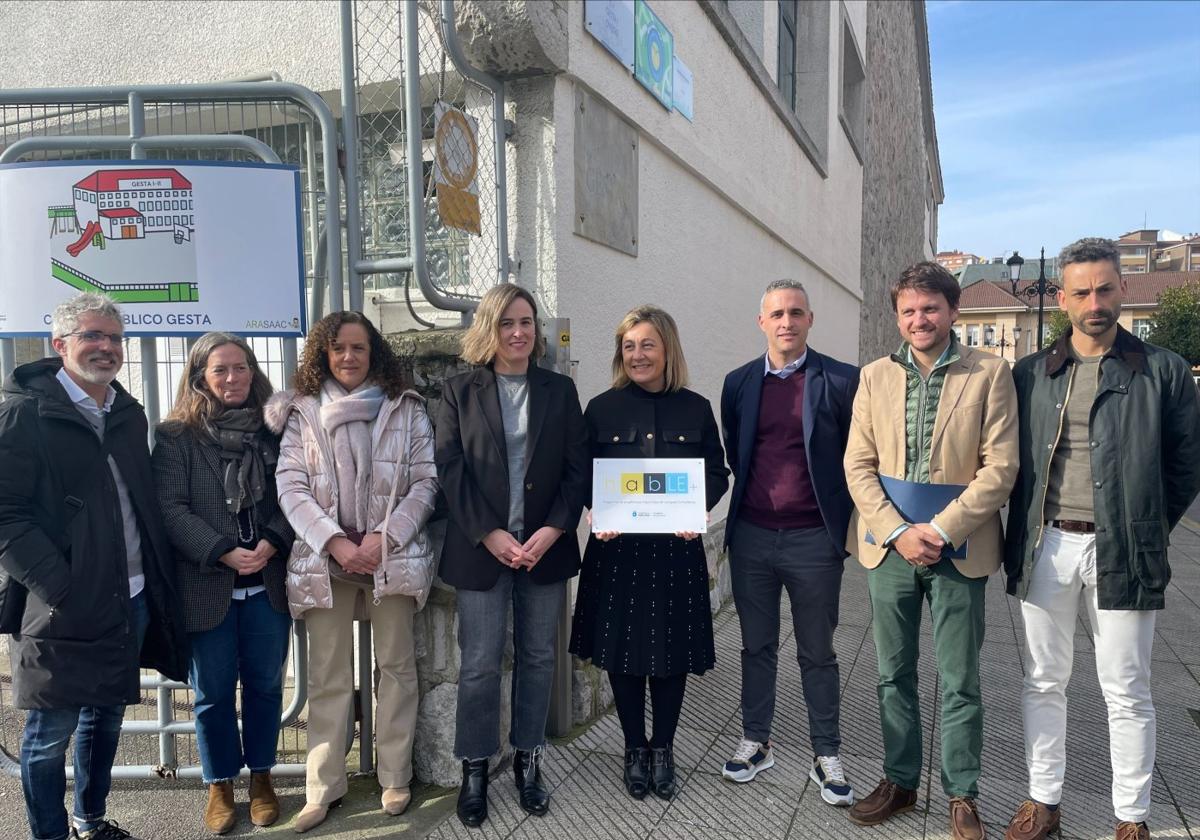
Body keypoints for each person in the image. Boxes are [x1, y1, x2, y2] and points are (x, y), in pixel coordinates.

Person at [1001, 238, 1200, 840]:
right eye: (1081, 291)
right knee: (1043, 677)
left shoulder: (1161, 370)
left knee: (1127, 686)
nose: (1095, 301)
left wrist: (1143, 528)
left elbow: (1185, 466)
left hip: (1123, 549)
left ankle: (1132, 816)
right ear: (1062, 299)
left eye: (1105, 288)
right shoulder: (1033, 373)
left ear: (1123, 290)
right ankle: (1044, 801)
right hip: (1047, 545)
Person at [0, 292, 188, 840]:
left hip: (128, 596)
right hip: (58, 604)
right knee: (49, 733)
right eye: (91, 336)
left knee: (105, 719)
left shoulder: (126, 413)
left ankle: (90, 818)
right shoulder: (24, 414)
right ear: (60, 345)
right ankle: (50, 834)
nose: (105, 347)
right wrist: (60, 583)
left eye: (114, 337)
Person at [843, 262, 1018, 840]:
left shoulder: (989, 373)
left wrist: (939, 531)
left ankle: (962, 794)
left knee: (960, 677)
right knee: (892, 673)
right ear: (897, 316)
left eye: (930, 308)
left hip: (959, 548)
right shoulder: (874, 377)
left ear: (953, 310)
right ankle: (900, 779)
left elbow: (1001, 468)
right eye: (909, 311)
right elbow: (858, 465)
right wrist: (898, 530)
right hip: (888, 548)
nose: (919, 320)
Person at [266, 311, 438, 833]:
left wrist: (385, 539)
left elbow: (426, 482)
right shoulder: (301, 413)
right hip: (327, 563)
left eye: (358, 348)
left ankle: (394, 775)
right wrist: (338, 543)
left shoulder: (406, 409)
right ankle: (322, 787)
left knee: (397, 670)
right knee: (328, 676)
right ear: (323, 353)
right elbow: (290, 486)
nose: (347, 357)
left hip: (392, 559)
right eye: (337, 348)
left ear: (374, 353)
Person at [435, 283, 588, 828]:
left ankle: (529, 759)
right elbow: (449, 470)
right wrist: (489, 534)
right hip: (484, 552)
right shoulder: (458, 391)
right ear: (489, 329)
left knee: (539, 657)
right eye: (506, 323)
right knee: (479, 663)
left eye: (526, 322)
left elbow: (577, 469)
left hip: (543, 549)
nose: (518, 332)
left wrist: (552, 529)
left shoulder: (559, 390)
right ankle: (475, 768)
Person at [570, 305, 730, 802]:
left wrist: (695, 511)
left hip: (674, 551)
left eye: (648, 345)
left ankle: (663, 748)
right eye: (629, 346)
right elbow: (581, 475)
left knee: (670, 652)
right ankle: (633, 748)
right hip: (617, 552)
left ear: (667, 350)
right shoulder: (600, 408)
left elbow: (717, 474)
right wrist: (597, 510)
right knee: (622, 651)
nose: (638, 355)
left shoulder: (696, 407)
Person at [718, 279, 859, 805]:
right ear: (761, 322)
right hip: (752, 536)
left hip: (813, 540)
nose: (786, 321)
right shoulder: (737, 383)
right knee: (756, 646)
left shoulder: (843, 380)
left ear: (810, 320)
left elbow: (852, 457)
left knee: (817, 652)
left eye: (796, 312)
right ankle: (757, 741)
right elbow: (738, 449)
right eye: (776, 313)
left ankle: (827, 754)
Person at [151, 332, 295, 835]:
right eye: (220, 370)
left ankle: (261, 777)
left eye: (241, 368)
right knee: (211, 692)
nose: (233, 378)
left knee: (264, 685)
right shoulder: (176, 437)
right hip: (207, 585)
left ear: (253, 372)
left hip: (268, 584)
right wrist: (221, 550)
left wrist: (274, 541)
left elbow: (296, 493)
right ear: (200, 378)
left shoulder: (277, 430)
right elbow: (169, 507)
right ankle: (219, 783)